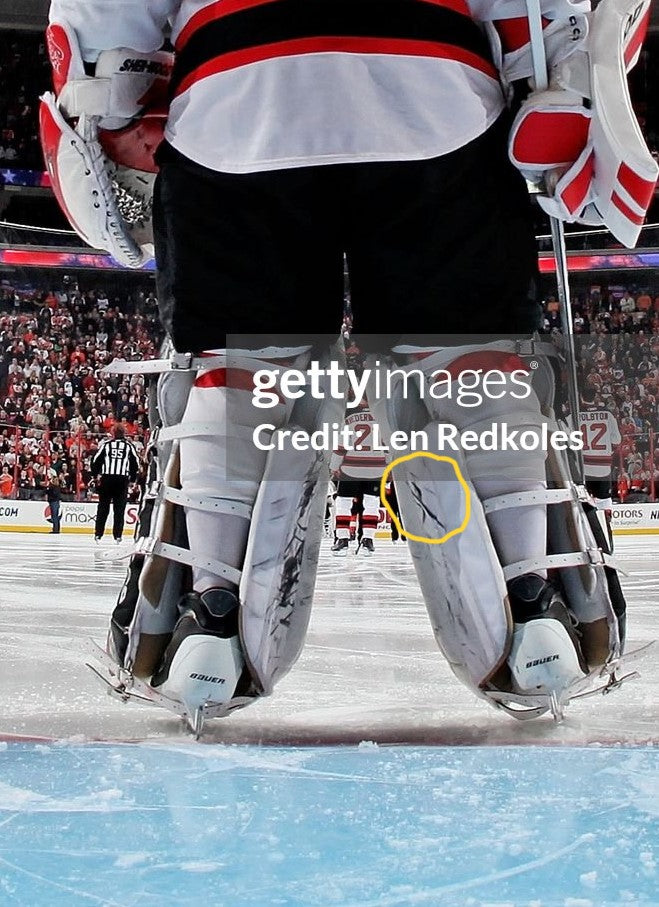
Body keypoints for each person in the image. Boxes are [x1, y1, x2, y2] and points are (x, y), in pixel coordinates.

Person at [41, 0, 656, 730]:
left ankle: (209, 611)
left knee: (240, 370)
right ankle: (533, 602)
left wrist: (105, 107)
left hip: (234, 93)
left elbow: (104, 29)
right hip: (435, 83)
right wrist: (561, 78)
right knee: (468, 358)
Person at [91, 426, 140, 543]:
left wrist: (95, 476)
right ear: (124, 434)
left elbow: (95, 461)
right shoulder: (129, 446)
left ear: (113, 433)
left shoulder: (107, 445)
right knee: (119, 509)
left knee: (103, 507)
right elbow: (135, 463)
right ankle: (117, 535)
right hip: (122, 480)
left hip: (107, 479)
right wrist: (132, 479)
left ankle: (98, 534)